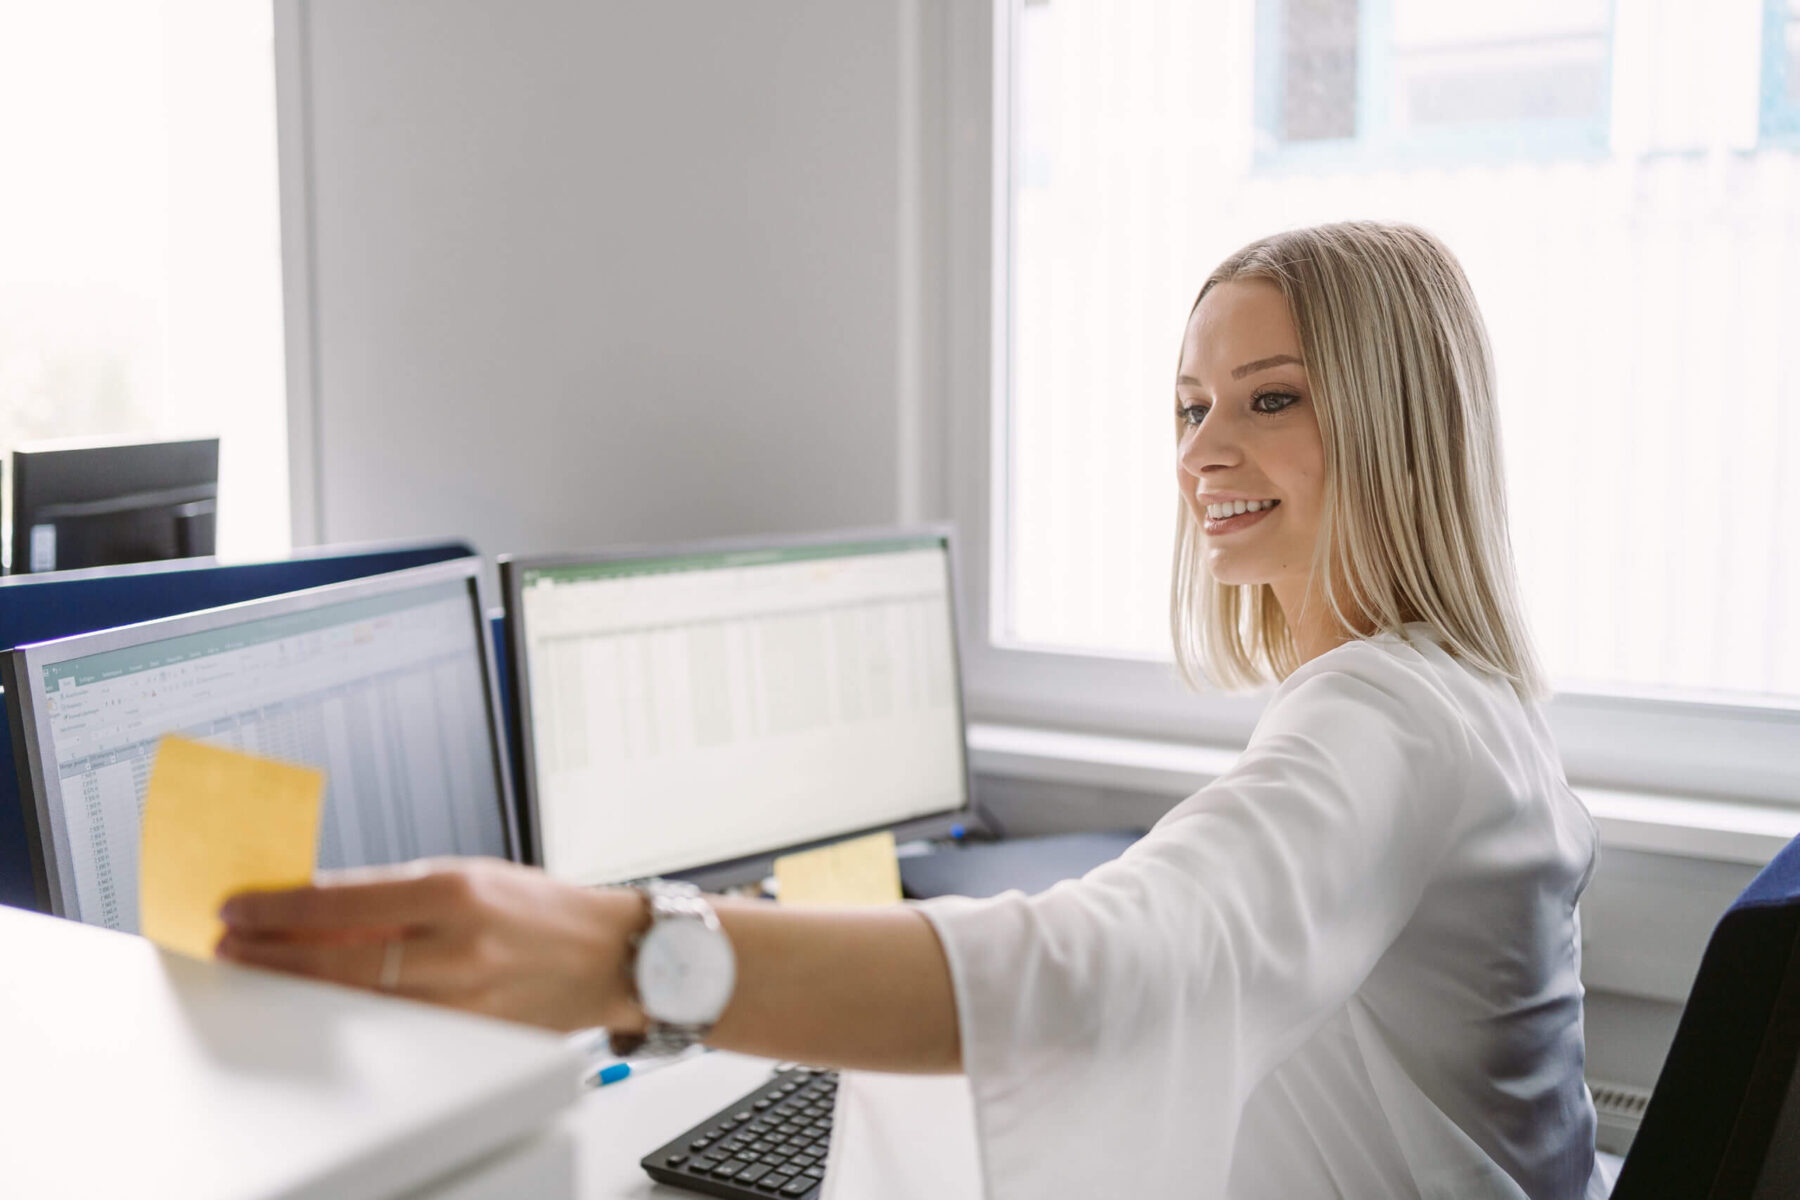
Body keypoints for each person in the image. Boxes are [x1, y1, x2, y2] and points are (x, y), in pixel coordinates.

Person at [218, 221, 1605, 1198]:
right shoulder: (1456, 691)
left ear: (1398, 423)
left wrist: (624, 952)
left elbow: (1115, 963)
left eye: (1271, 398)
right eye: (1186, 407)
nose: (1204, 452)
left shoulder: (1388, 719)